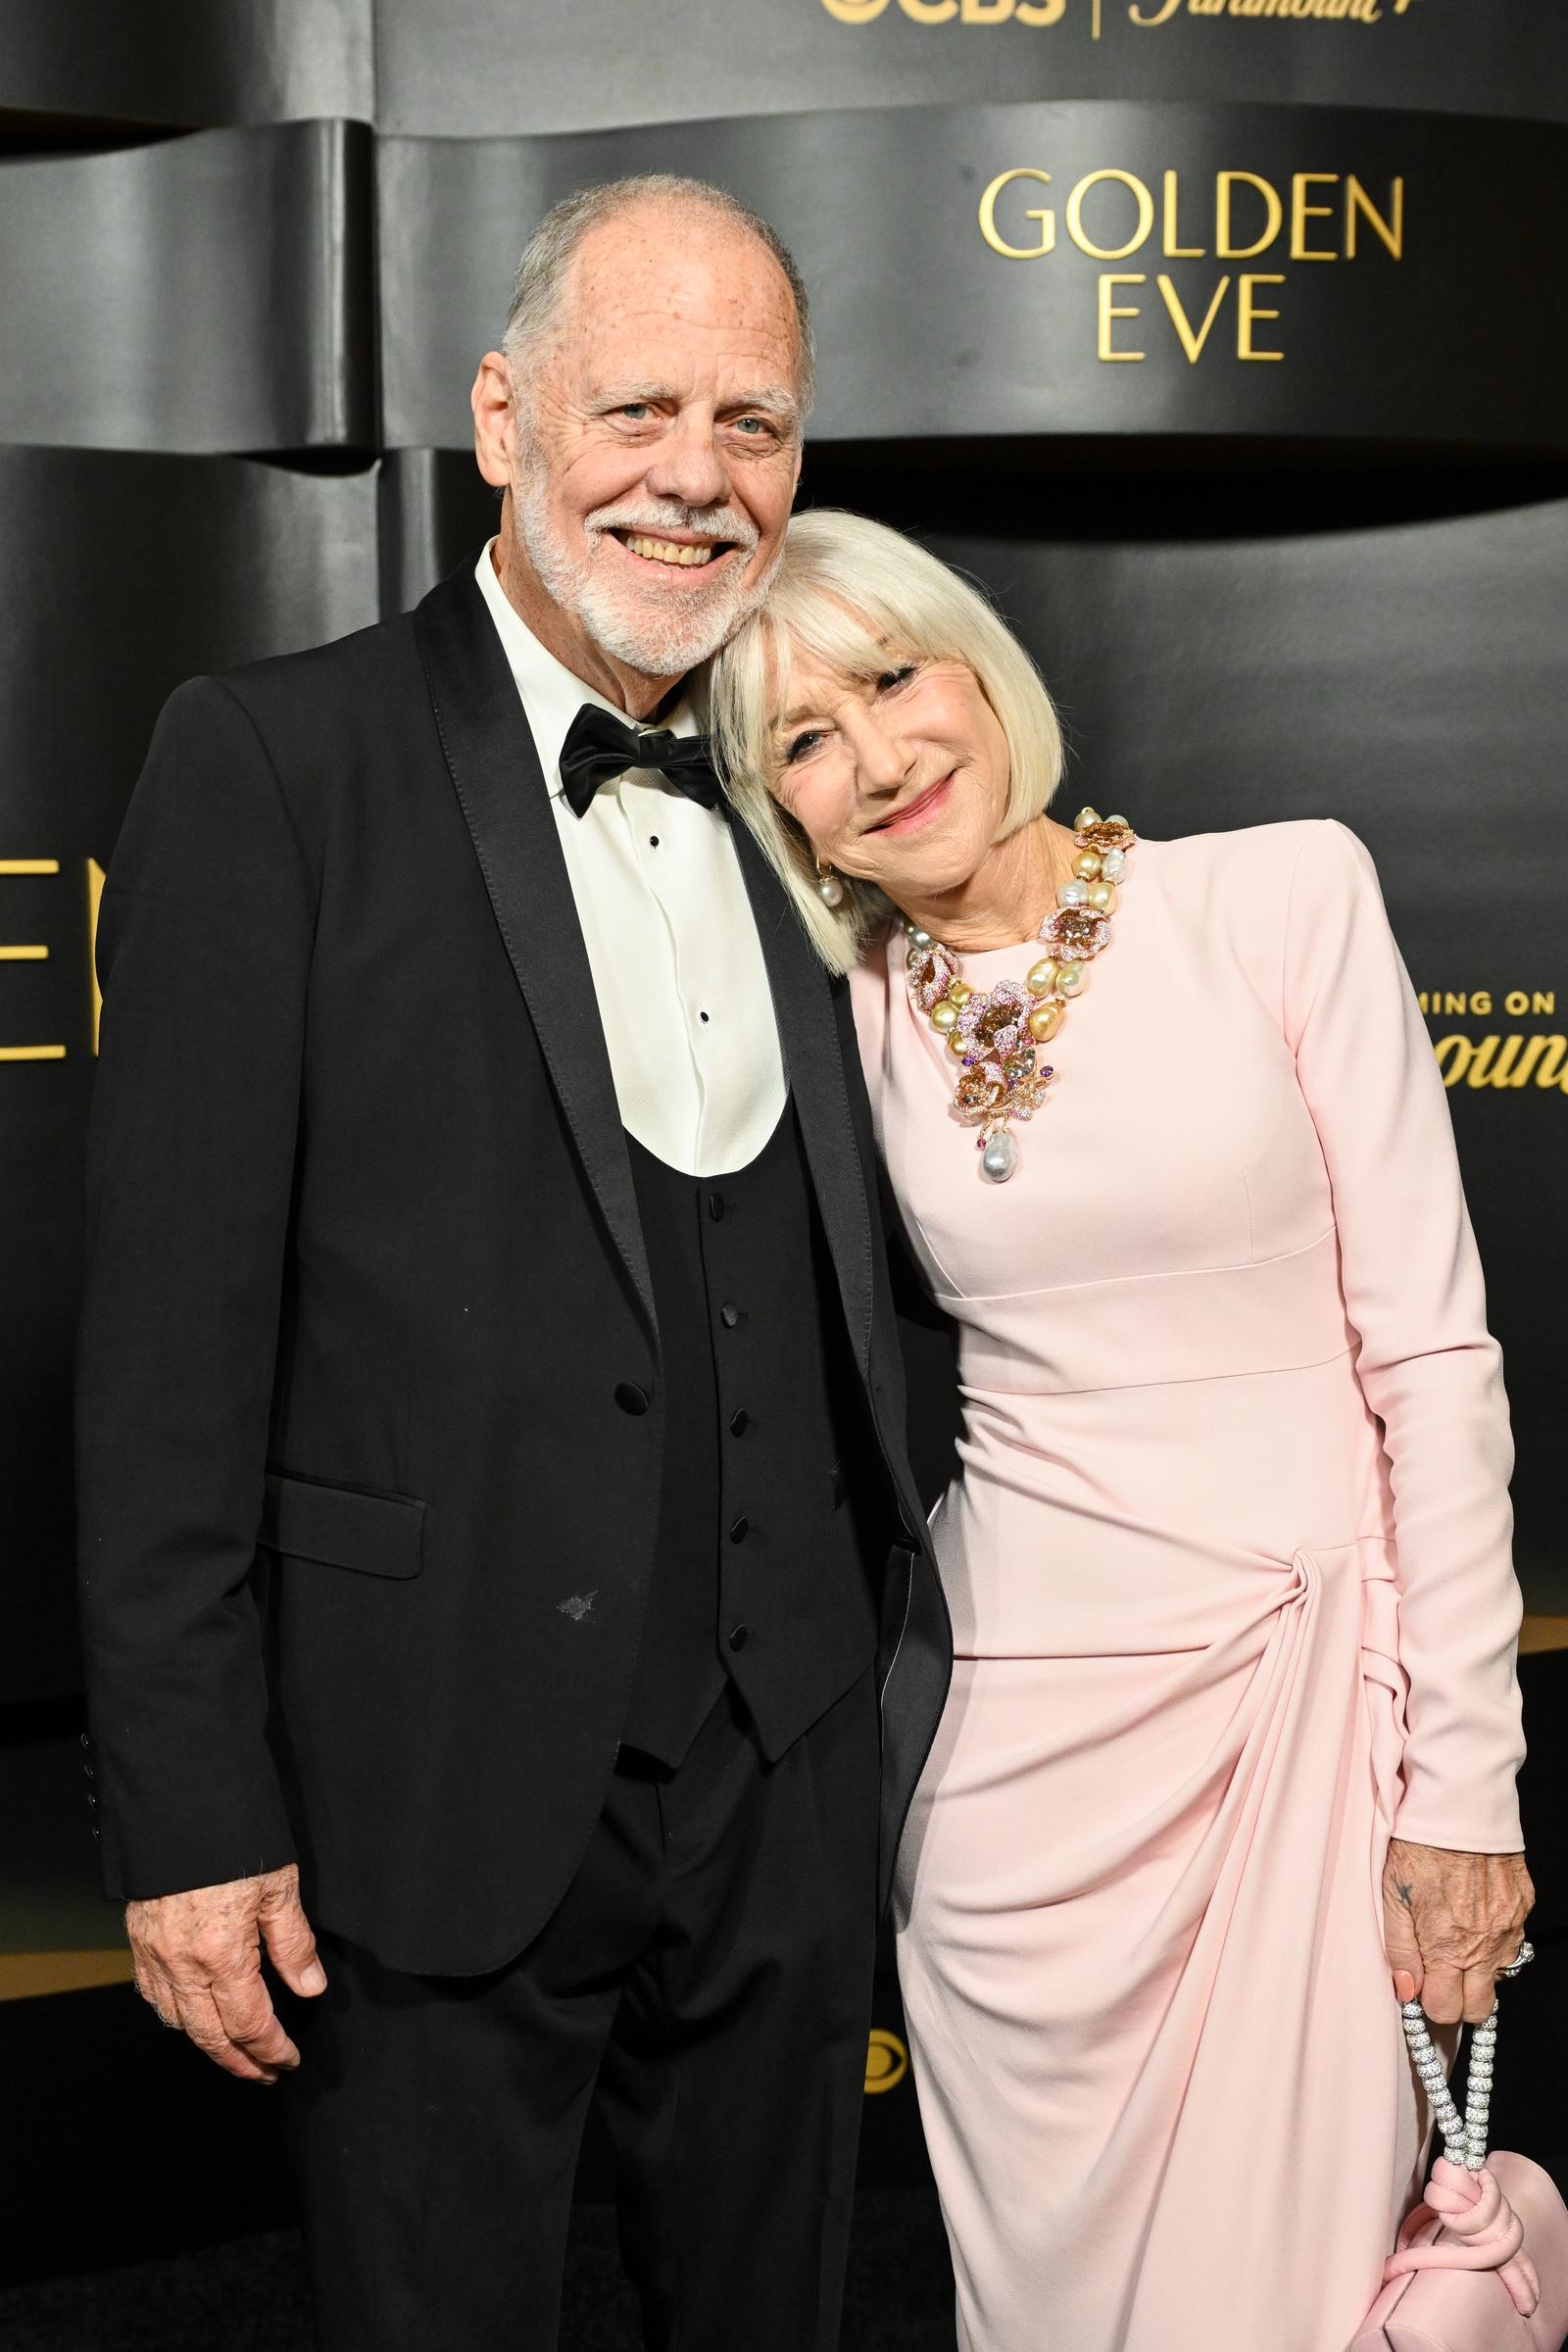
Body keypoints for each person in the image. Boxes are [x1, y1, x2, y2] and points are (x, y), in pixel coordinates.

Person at [74, 185, 951, 2351]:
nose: (693, 474)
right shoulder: (270, 761)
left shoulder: (815, 773)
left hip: (789, 1774)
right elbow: (168, 1352)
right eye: (633, 406)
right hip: (425, 1791)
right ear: (496, 415)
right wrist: (193, 1818)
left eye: (751, 420)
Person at [707, 506, 1536, 2352]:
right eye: (805, 745)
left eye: (892, 678)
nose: (881, 754)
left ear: (980, 667)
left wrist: (1462, 1778)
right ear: (788, 818)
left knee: (1290, 2299)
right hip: (1014, 1776)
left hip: (1310, 1715)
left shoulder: (1278, 896)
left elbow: (1435, 1360)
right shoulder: (839, 1022)